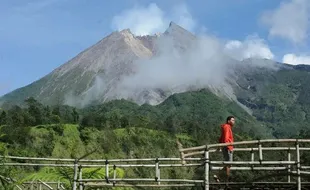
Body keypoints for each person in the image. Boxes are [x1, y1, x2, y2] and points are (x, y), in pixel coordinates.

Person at [214, 116, 235, 182]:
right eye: (232, 120)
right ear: (228, 121)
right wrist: (228, 146)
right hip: (228, 147)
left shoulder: (226, 127)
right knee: (229, 163)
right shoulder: (227, 127)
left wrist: (219, 146)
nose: (234, 122)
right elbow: (225, 138)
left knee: (228, 163)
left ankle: (219, 176)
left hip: (227, 146)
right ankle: (226, 179)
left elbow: (221, 138)